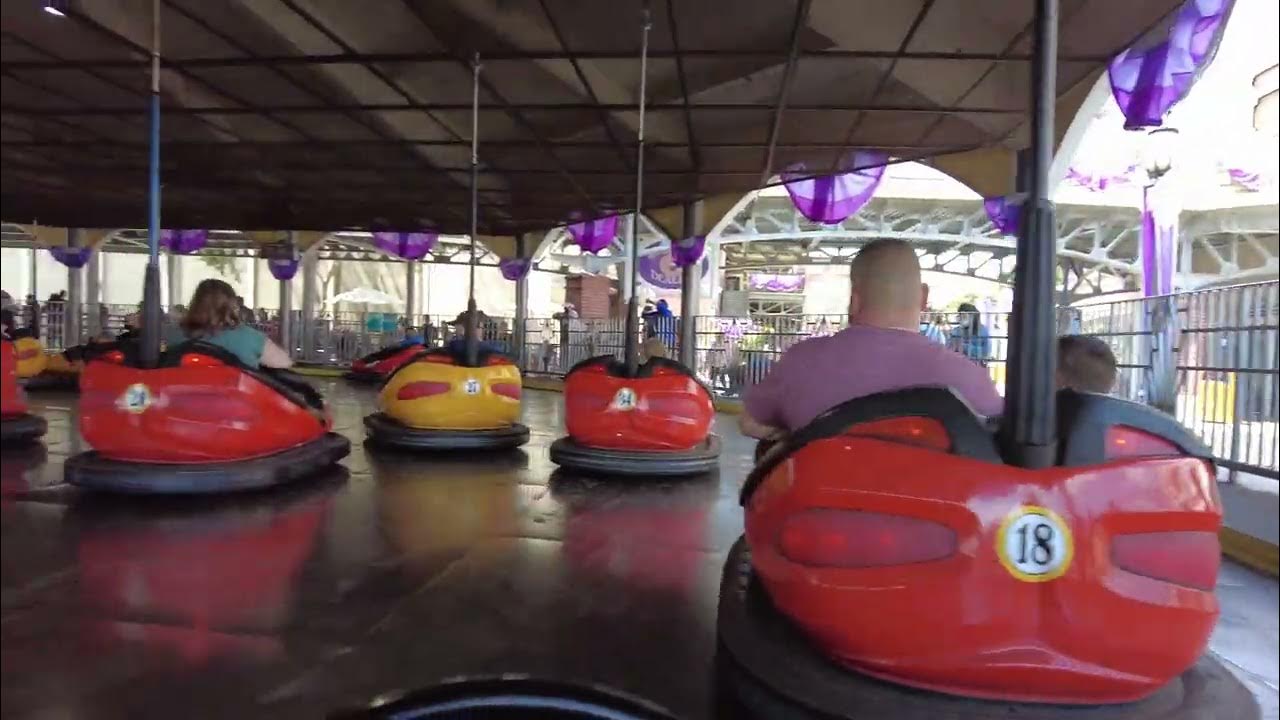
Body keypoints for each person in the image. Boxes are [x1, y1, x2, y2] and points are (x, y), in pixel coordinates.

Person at [741, 239, 1003, 440]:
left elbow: (749, 422)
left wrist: (790, 438)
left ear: (853, 300)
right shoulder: (968, 378)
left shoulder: (800, 362)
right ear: (923, 298)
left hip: (820, 494)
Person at [166, 279, 292, 369]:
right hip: (237, 397)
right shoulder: (248, 337)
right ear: (232, 305)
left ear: (195, 304)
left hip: (181, 396)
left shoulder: (174, 335)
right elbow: (284, 362)